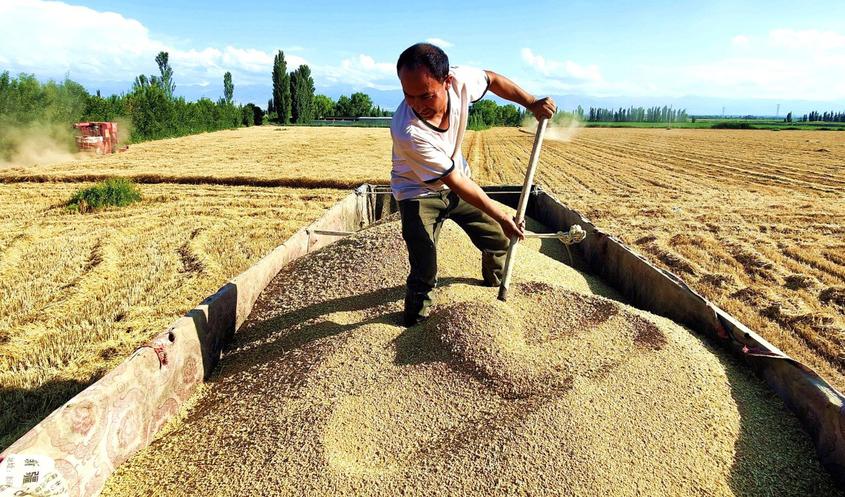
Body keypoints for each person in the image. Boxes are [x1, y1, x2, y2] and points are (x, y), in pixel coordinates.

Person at [391, 42, 556, 326]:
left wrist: (530, 102)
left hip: (457, 181)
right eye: (409, 95)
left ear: (447, 81)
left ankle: (495, 289)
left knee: (500, 238)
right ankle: (415, 325)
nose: (417, 105)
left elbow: (491, 79)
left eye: (426, 96)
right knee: (424, 267)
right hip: (417, 192)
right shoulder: (406, 131)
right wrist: (501, 212)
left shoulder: (461, 81)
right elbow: (452, 180)